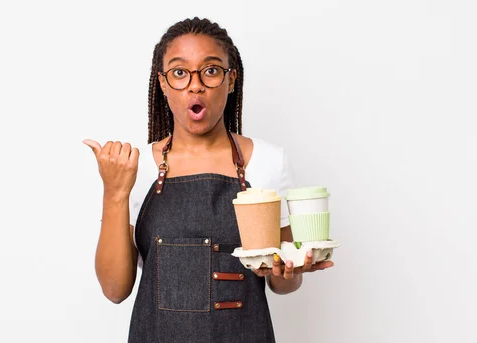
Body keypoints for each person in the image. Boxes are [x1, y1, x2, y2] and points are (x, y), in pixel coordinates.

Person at [83, 17, 334, 343]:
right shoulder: (136, 167)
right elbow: (115, 290)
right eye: (179, 72)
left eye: (211, 70)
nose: (195, 84)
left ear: (231, 80)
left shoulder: (269, 162)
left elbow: (283, 284)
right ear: (161, 83)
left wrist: (290, 271)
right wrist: (115, 192)